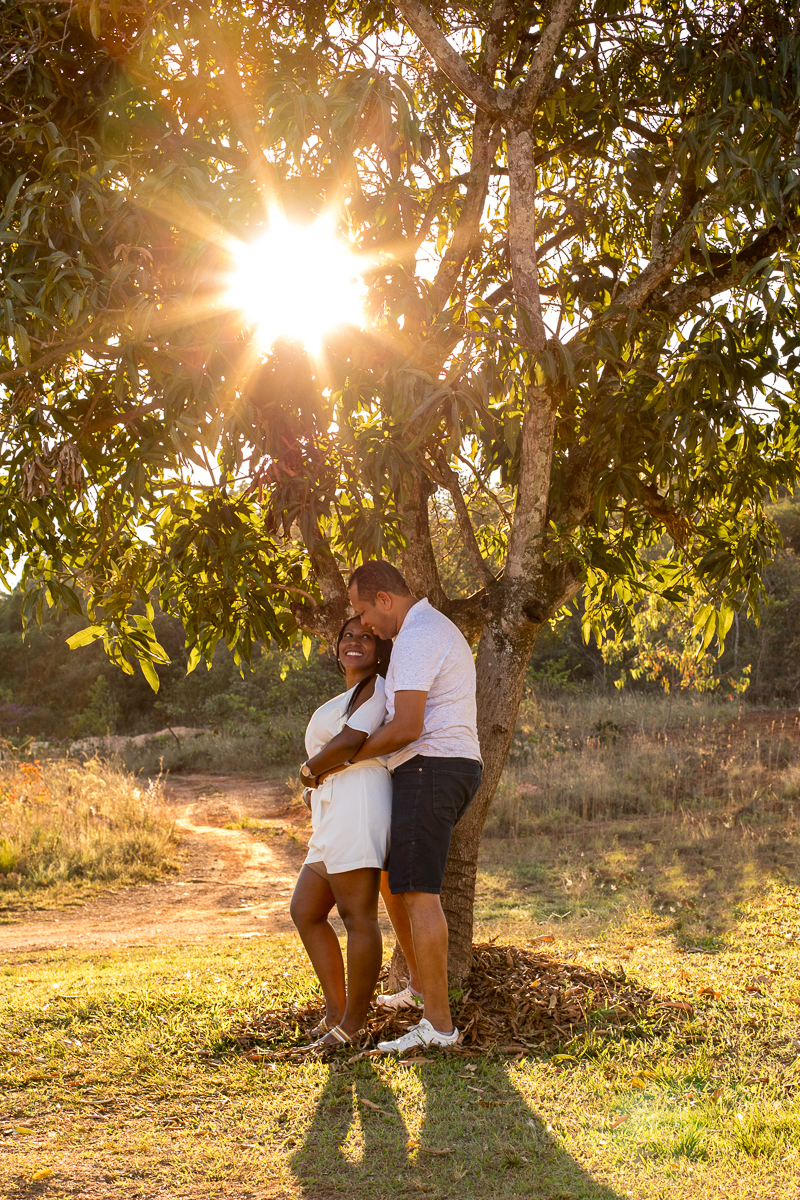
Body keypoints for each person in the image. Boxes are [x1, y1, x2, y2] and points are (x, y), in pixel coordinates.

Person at [347, 561, 482, 1053]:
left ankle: (439, 1027)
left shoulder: (419, 634)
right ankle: (421, 989)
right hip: (432, 767)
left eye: (363, 611)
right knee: (393, 878)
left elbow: (406, 726)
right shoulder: (418, 632)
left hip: (432, 766)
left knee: (420, 893)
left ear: (384, 599)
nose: (364, 624)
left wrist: (345, 759)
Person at [289, 616, 393, 1049]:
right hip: (333, 809)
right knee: (305, 910)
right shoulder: (346, 695)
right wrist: (315, 784)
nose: (354, 642)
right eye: (347, 636)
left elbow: (351, 741)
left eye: (365, 636)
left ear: (379, 649)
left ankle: (353, 1023)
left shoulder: (378, 687)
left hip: (360, 803)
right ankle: (335, 1012)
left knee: (357, 916)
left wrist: (308, 771)